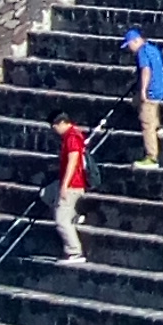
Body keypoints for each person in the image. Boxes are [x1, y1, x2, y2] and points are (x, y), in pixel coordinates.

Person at [119, 28, 163, 165]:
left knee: (146, 122)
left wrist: (143, 91)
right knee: (141, 105)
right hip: (160, 88)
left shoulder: (142, 53)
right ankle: (158, 127)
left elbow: (146, 70)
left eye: (129, 45)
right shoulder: (152, 49)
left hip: (150, 90)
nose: (129, 49)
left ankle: (151, 157)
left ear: (136, 41)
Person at [51, 110, 92, 263]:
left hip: (73, 184)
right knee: (48, 196)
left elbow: (73, 161)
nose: (54, 129)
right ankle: (74, 215)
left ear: (62, 123)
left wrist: (65, 185)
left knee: (60, 219)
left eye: (54, 125)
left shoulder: (72, 137)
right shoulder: (73, 135)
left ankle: (74, 251)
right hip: (72, 183)